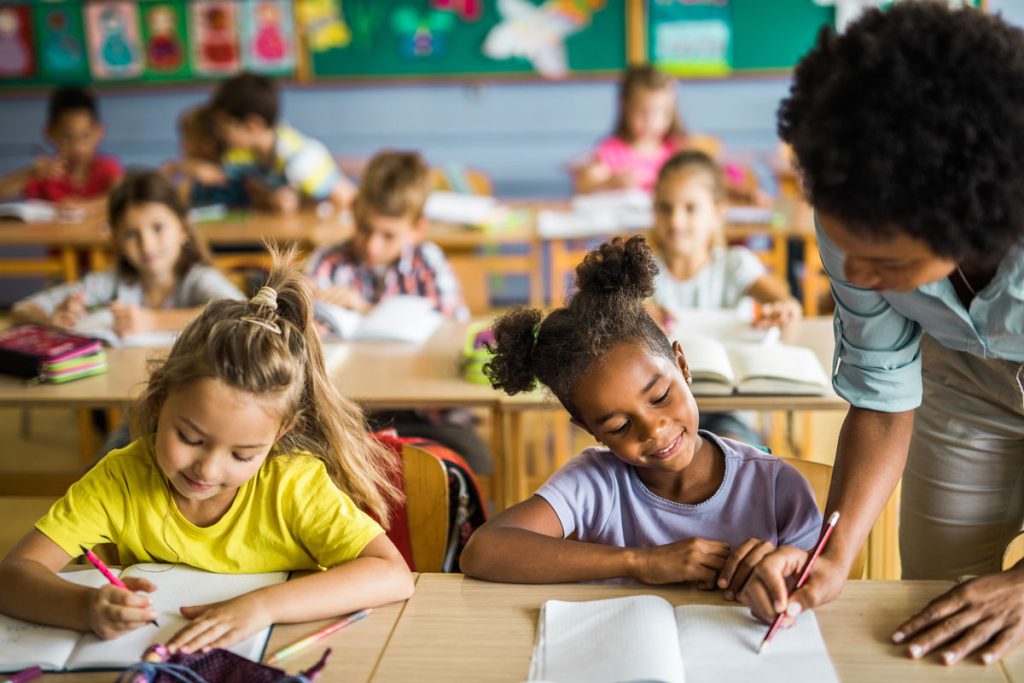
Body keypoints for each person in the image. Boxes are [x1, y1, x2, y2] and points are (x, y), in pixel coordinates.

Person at [738, 3, 1024, 667]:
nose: (857, 275)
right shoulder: (858, 204)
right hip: (960, 378)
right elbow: (882, 392)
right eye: (847, 251)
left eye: (885, 264)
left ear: (971, 218)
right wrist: (833, 556)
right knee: (942, 599)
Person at [0, 250, 415, 653]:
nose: (208, 469)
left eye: (242, 455)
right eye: (191, 439)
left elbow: (392, 575)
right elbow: (13, 576)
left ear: (280, 433)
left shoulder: (292, 485)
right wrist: (86, 606)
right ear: (160, 397)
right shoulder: (122, 478)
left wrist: (262, 605)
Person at [459, 236, 821, 588]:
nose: (653, 430)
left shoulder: (775, 487)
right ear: (589, 429)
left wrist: (781, 573)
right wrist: (642, 562)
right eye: (619, 426)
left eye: (661, 396)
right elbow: (483, 551)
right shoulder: (596, 484)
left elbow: (817, 578)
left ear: (682, 364)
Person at [306, 150, 489, 473]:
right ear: (354, 211)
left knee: (475, 464)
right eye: (364, 228)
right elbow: (305, 339)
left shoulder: (429, 262)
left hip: (429, 414)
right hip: (350, 415)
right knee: (319, 463)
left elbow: (451, 335)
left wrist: (367, 310)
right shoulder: (327, 262)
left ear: (418, 229)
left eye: (388, 235)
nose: (372, 245)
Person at [648, 150, 801, 443]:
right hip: (662, 410)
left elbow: (775, 295)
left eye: (690, 208)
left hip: (729, 411)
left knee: (730, 452)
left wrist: (780, 307)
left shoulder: (734, 265)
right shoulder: (645, 272)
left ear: (718, 214)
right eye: (665, 208)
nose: (676, 221)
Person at [11, 170, 242, 338]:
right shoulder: (111, 282)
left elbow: (240, 313)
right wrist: (52, 322)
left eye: (158, 228)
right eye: (131, 234)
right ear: (118, 241)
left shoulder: (197, 278)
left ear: (182, 229)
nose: (147, 245)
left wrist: (153, 321)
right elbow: (23, 310)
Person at [209, 72, 354, 214]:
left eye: (224, 127)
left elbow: (349, 201)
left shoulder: (302, 159)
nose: (220, 134)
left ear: (253, 124)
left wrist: (301, 204)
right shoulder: (247, 155)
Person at [0, 85, 122, 211]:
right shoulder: (44, 174)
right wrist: (29, 174)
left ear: (99, 132)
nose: (77, 147)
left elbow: (121, 197)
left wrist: (86, 207)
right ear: (50, 132)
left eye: (85, 136)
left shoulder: (107, 168)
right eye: (67, 138)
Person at [574, 65, 686, 195]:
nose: (651, 120)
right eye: (642, 111)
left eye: (661, 112)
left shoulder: (677, 151)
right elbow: (583, 187)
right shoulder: (610, 151)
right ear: (625, 107)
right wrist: (610, 183)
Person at [161, 103, 248, 209]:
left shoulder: (235, 171)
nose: (182, 144)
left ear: (208, 146)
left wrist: (182, 167)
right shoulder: (194, 179)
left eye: (187, 138)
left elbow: (217, 176)